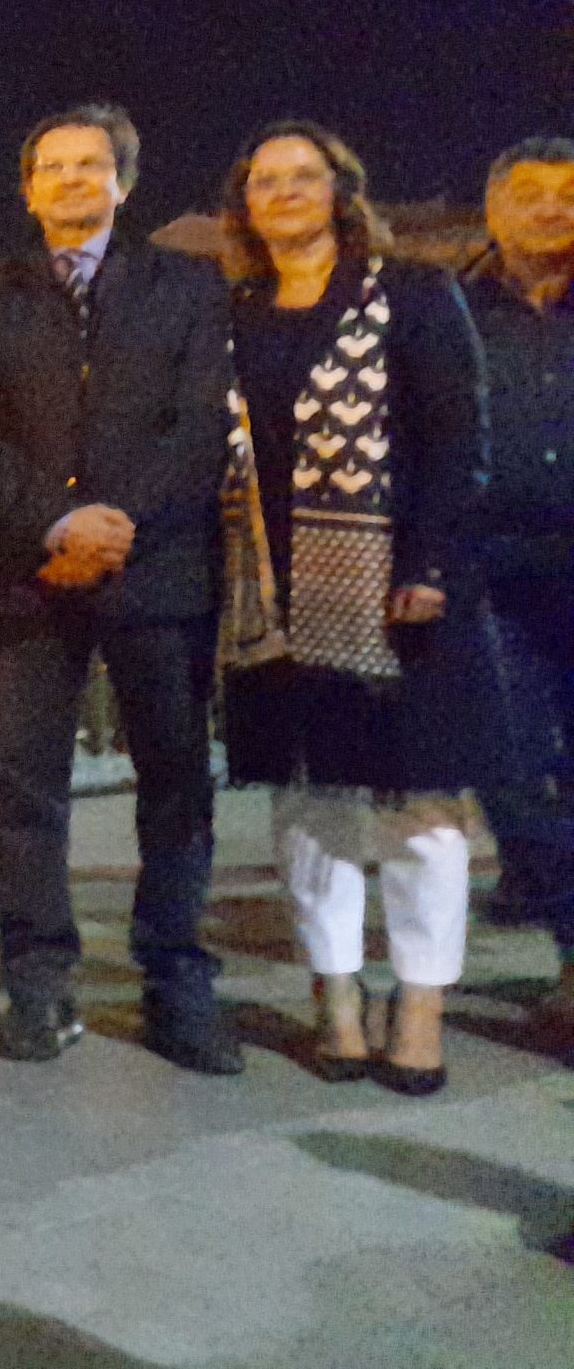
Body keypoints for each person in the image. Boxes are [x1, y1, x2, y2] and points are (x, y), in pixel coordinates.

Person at [0, 104, 240, 1071]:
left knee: (174, 783)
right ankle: (37, 980)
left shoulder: (189, 285)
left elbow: (198, 423)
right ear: (27, 188)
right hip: (31, 574)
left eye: (91, 165)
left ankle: (175, 982)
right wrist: (57, 522)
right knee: (22, 785)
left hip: (156, 572)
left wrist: (118, 524)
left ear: (123, 181)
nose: (72, 180)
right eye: (52, 167)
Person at [216, 121, 499, 1094]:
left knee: (421, 809)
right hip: (274, 594)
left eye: (305, 176)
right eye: (266, 180)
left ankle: (419, 1007)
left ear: (342, 191)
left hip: (396, 587)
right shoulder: (236, 313)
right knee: (310, 801)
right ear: (245, 203)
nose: (285, 192)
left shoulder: (414, 295)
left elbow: (457, 439)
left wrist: (430, 563)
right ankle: (336, 998)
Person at [460, 137, 574, 1051]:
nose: (551, 210)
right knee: (508, 771)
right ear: (494, 211)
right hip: (491, 575)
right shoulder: (451, 312)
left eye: (568, 195)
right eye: (531, 195)